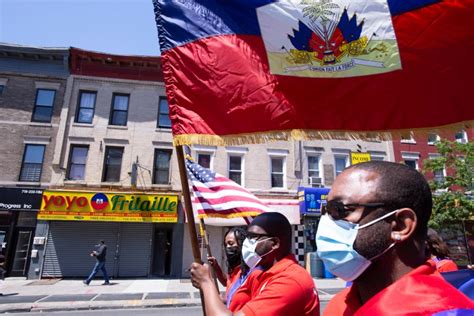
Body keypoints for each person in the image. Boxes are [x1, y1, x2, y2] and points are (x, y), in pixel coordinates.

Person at [317, 161, 474, 315]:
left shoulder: (448, 312)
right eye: (325, 211)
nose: (327, 222)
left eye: (339, 210)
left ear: (400, 226)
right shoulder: (340, 304)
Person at [190, 212, 320, 316]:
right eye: (247, 236)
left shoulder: (290, 280)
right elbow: (236, 295)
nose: (247, 242)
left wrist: (206, 282)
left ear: (274, 243)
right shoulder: (259, 272)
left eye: (253, 237)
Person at [207, 227, 263, 311]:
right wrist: (216, 267)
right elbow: (228, 282)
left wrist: (205, 280)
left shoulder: (254, 272)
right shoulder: (236, 269)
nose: (228, 247)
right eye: (226, 245)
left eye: (231, 243)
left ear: (242, 244)